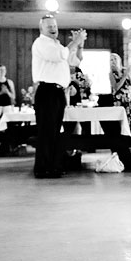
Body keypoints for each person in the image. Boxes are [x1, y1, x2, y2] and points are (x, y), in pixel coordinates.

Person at [31, 15, 87, 178]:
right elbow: (60, 56)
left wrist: (80, 45)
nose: (53, 28)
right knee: (46, 132)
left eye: (54, 25)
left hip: (57, 92)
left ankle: (53, 166)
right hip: (47, 91)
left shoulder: (57, 44)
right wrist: (75, 42)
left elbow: (75, 61)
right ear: (41, 29)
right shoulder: (41, 43)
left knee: (55, 132)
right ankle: (42, 168)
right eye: (49, 26)